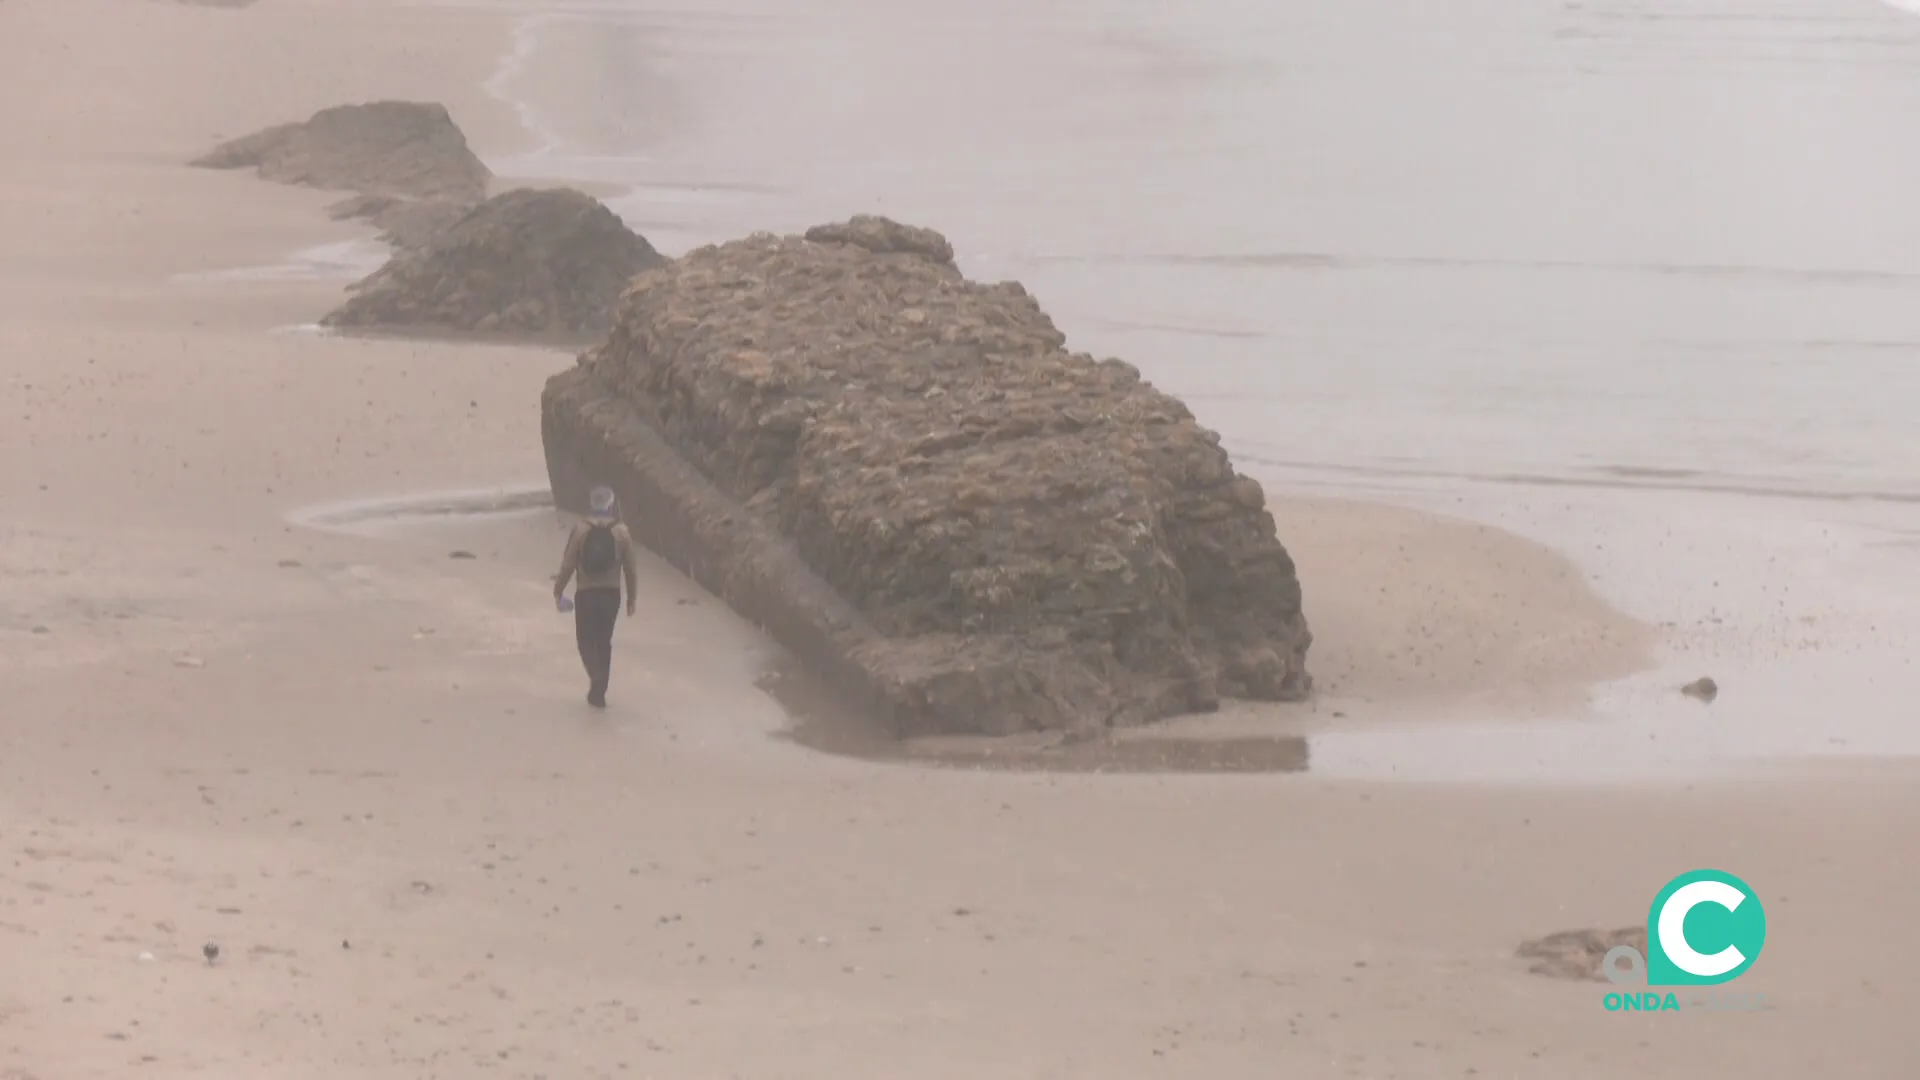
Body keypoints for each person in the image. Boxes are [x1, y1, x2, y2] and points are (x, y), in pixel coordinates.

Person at [552, 485, 638, 708]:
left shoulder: (580, 529)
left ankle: (596, 677)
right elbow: (630, 568)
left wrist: (558, 590)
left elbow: (568, 563)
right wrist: (632, 598)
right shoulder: (622, 532)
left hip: (586, 593)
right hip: (612, 594)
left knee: (584, 641)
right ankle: (599, 692)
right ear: (610, 503)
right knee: (604, 641)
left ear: (591, 503)